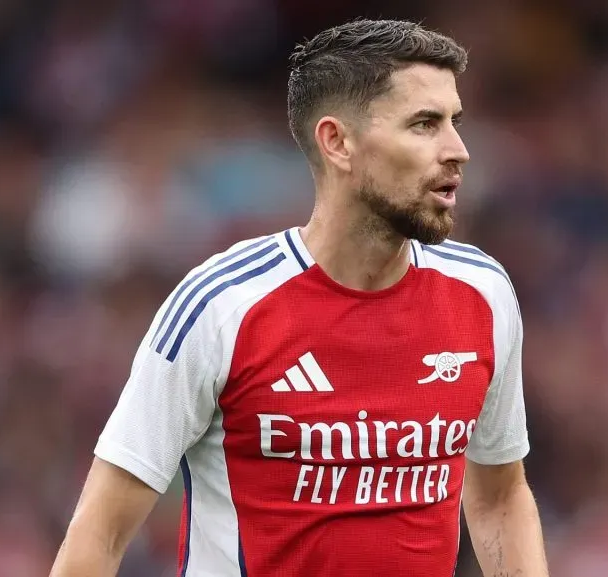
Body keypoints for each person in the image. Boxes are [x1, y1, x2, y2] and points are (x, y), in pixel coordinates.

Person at [49, 18, 548, 577]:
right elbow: (100, 534)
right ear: (337, 142)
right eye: (424, 124)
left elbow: (501, 497)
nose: (458, 150)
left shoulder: (482, 293)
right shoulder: (221, 306)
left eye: (456, 122)